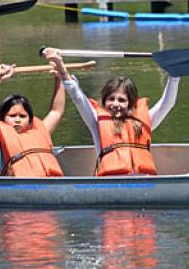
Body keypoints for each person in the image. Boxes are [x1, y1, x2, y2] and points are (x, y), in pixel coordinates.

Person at [42, 47, 180, 176]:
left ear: (131, 103)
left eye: (121, 100)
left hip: (144, 183)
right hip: (111, 184)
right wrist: (60, 65)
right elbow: (77, 96)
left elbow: (167, 103)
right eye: (111, 99)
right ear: (104, 101)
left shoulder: (143, 121)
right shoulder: (96, 121)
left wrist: (174, 75)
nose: (115, 104)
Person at [0, 63, 65, 177]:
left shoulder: (40, 129)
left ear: (30, 119)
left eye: (23, 116)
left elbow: (56, 111)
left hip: (50, 181)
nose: (17, 120)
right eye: (12, 116)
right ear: (3, 118)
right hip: (19, 184)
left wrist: (59, 77)